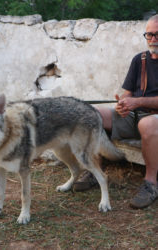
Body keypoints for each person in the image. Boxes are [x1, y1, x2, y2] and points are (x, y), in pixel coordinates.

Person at [74, 14, 158, 209]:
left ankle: (151, 183)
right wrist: (123, 103)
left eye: (157, 35)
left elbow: (138, 100)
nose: (153, 39)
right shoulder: (140, 60)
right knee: (90, 114)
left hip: (153, 120)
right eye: (149, 35)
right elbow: (127, 93)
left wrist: (137, 102)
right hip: (134, 115)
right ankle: (96, 170)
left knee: (148, 123)